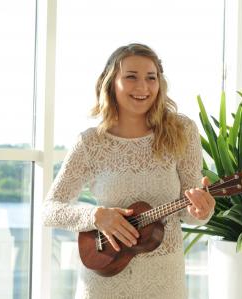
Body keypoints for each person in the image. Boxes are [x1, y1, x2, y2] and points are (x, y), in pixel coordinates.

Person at [43, 43, 216, 299]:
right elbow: (50, 210)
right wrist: (96, 216)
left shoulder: (182, 131)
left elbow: (189, 211)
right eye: (131, 77)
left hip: (164, 281)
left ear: (160, 83)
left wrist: (203, 210)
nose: (142, 87)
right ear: (111, 82)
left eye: (151, 77)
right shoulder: (91, 143)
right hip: (103, 281)